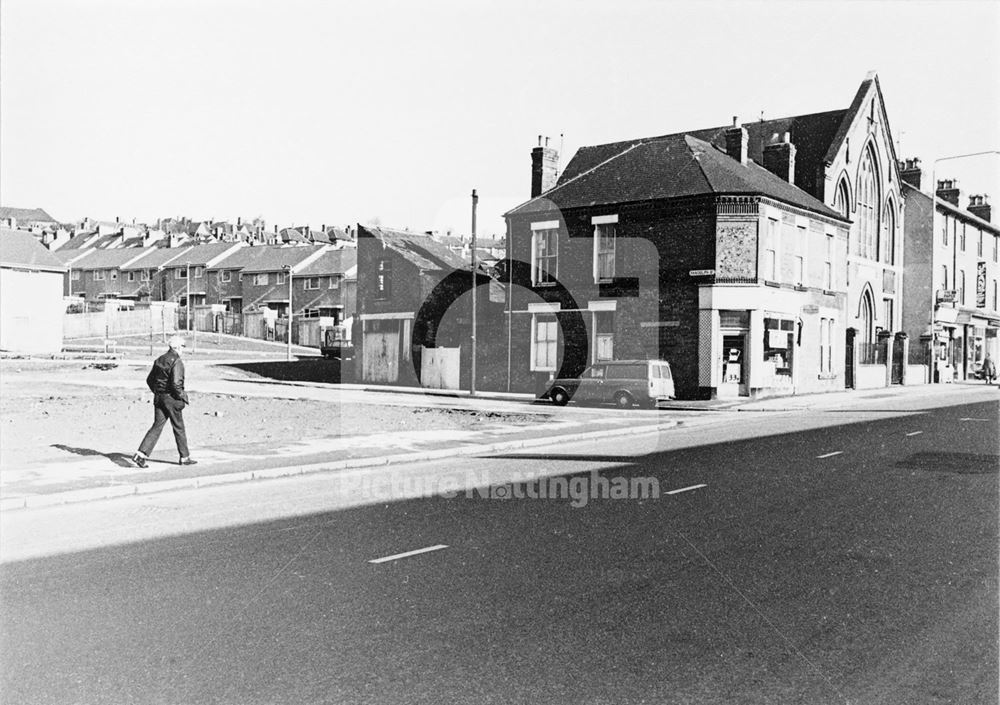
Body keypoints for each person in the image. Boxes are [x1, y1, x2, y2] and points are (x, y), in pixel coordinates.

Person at [132, 335, 197, 467]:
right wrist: (182, 396)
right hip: (172, 399)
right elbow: (176, 384)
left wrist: (157, 392)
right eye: (182, 347)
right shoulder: (177, 361)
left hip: (159, 398)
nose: (183, 350)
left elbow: (149, 380)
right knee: (179, 427)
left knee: (157, 426)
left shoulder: (159, 359)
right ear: (177, 347)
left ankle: (141, 454)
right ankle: (184, 457)